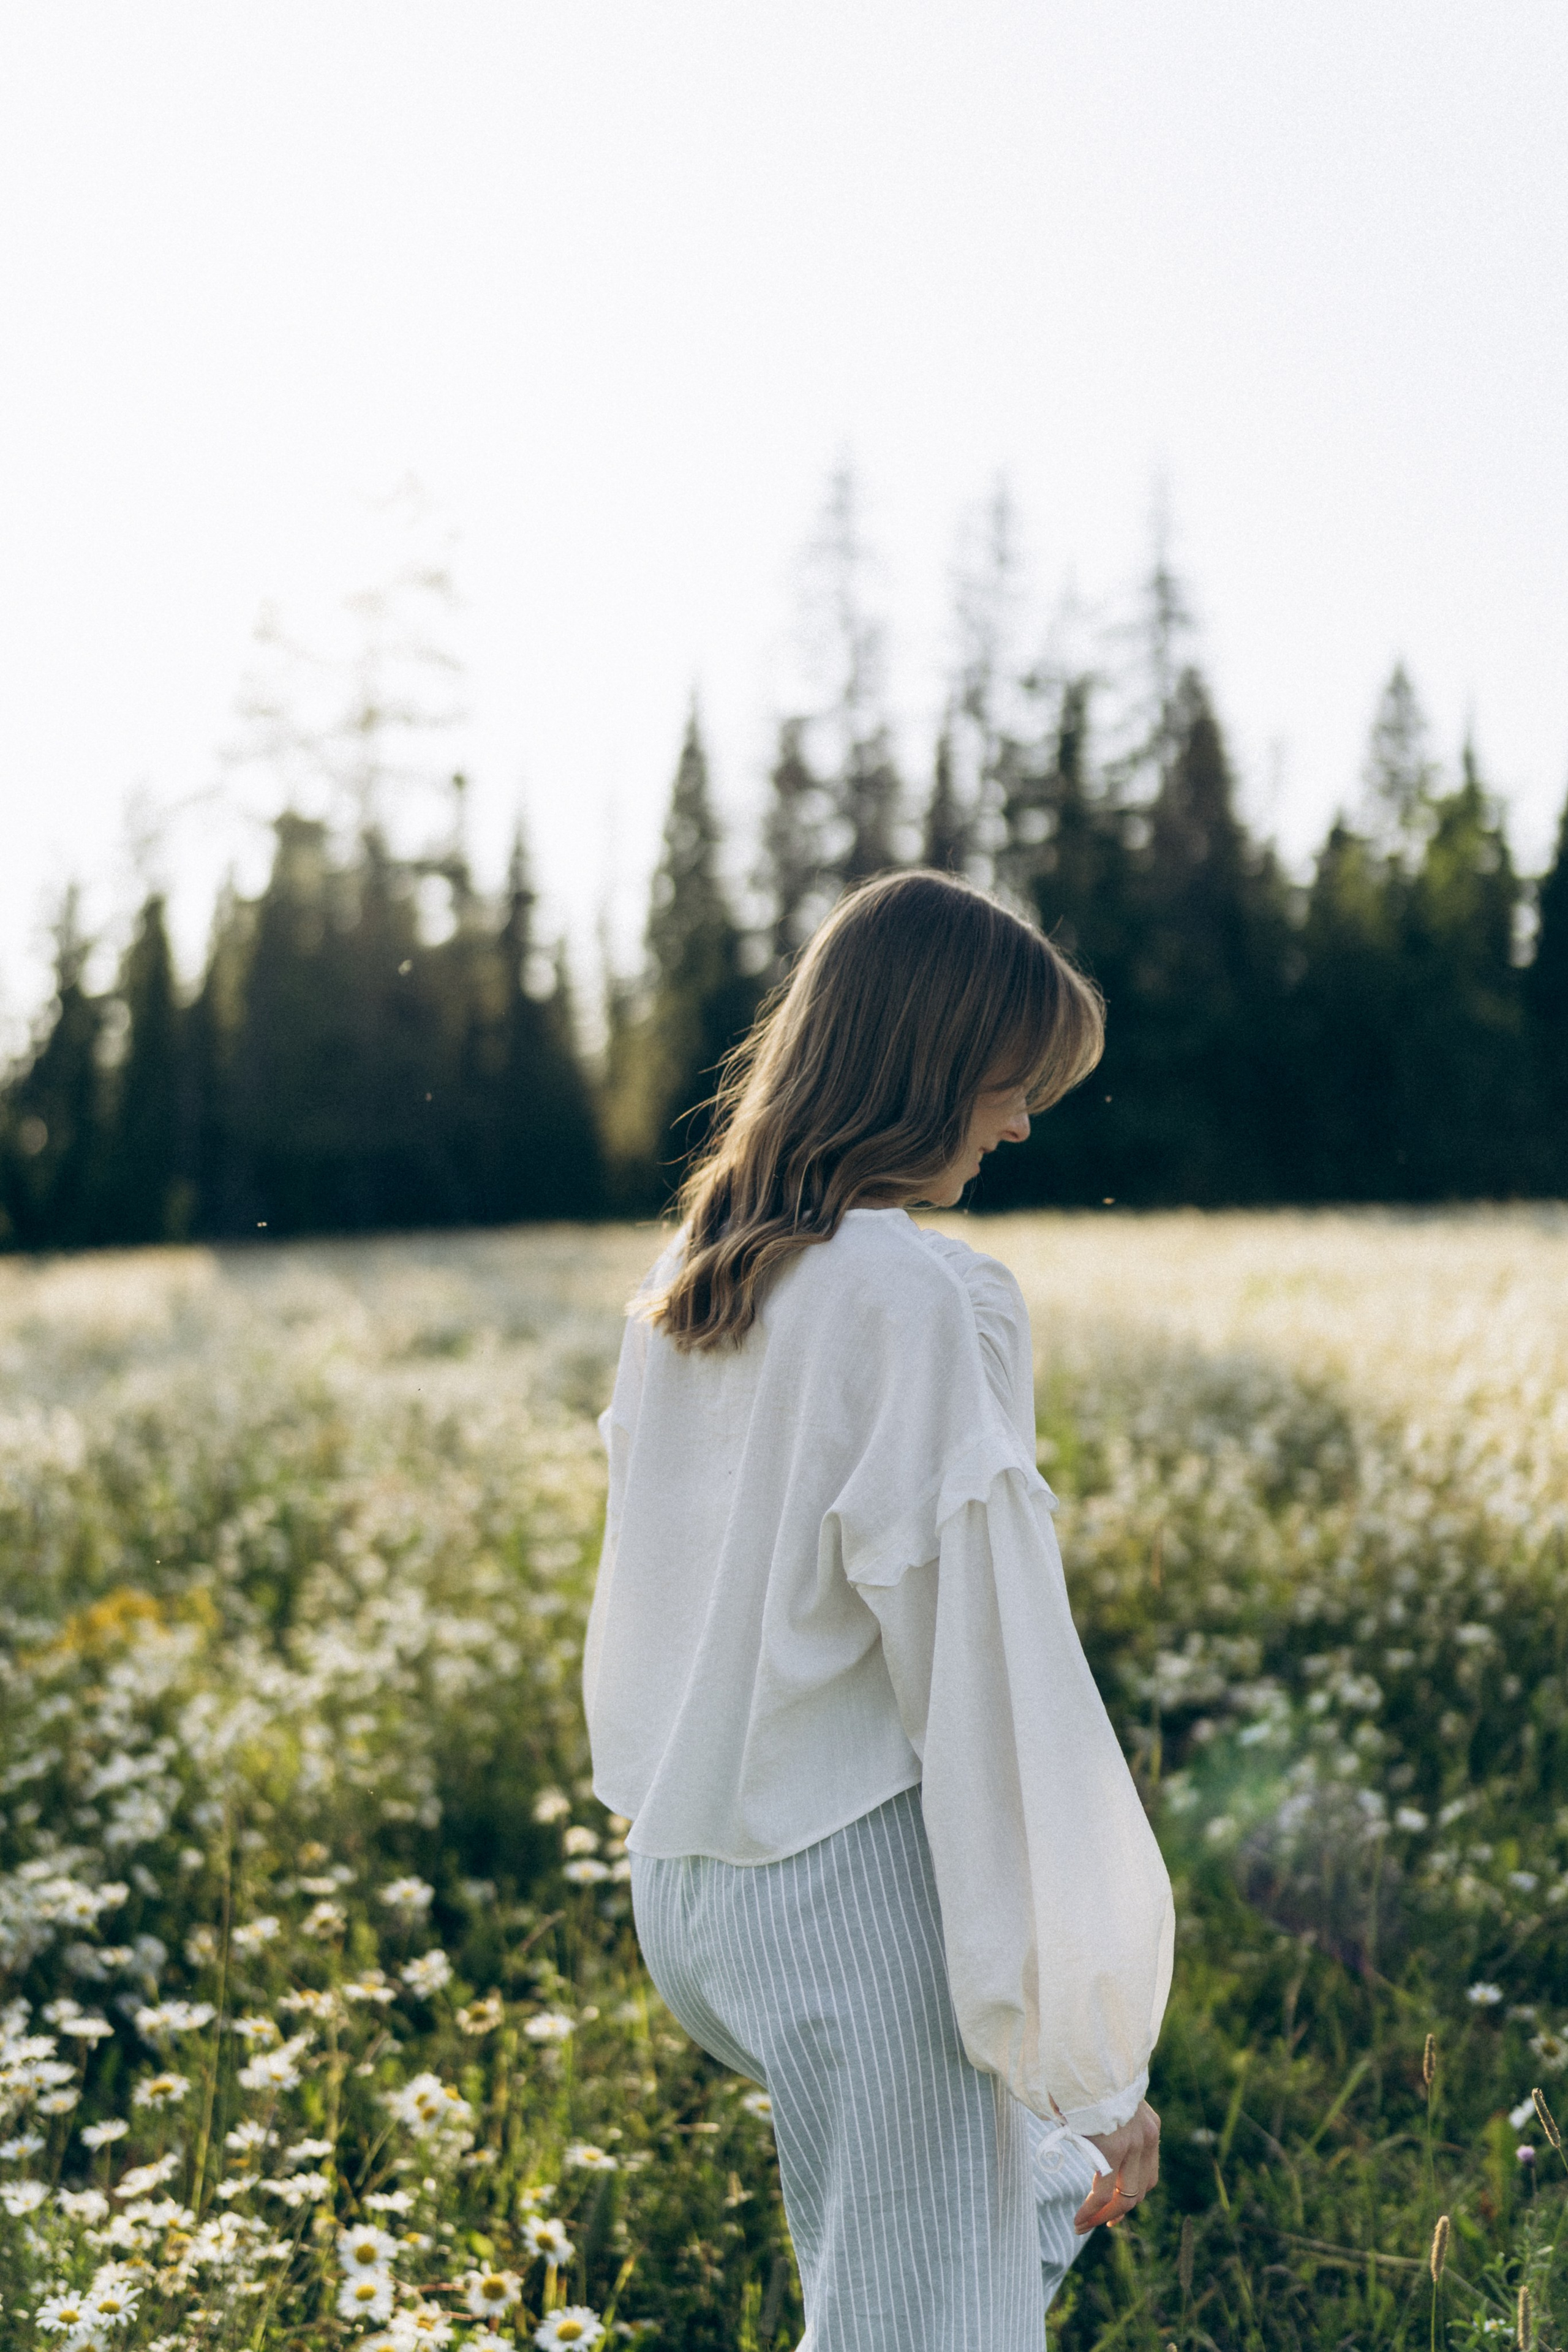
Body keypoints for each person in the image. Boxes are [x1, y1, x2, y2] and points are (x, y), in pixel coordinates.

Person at [584, 870, 1174, 2350]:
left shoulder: (692, 1284)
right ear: (924, 1062)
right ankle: (1039, 2180)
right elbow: (987, 1689)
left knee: (904, 2285)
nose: (1023, 1122)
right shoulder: (910, 1297)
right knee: (925, 2331)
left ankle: (1024, 2191)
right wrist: (1097, 2074)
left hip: (696, 1889)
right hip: (849, 1890)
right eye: (1007, 1080)